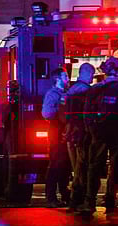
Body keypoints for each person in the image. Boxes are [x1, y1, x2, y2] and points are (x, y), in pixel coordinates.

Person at [77, 57, 118, 215]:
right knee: (116, 166)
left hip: (99, 131)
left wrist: (91, 130)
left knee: (94, 166)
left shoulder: (95, 89)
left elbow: (86, 113)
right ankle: (110, 200)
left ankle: (89, 202)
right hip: (117, 131)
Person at [65, 63, 95, 211]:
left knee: (76, 165)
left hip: (71, 135)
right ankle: (77, 198)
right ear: (87, 73)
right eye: (92, 74)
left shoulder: (71, 90)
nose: (92, 77)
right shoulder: (87, 91)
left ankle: (75, 199)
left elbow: (68, 115)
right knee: (82, 166)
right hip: (82, 134)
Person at [42, 68, 71, 208]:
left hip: (64, 133)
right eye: (65, 76)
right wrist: (59, 105)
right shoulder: (52, 94)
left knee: (64, 165)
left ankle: (65, 194)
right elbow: (46, 113)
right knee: (55, 164)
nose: (68, 78)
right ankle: (51, 197)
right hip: (56, 132)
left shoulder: (65, 93)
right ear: (58, 79)